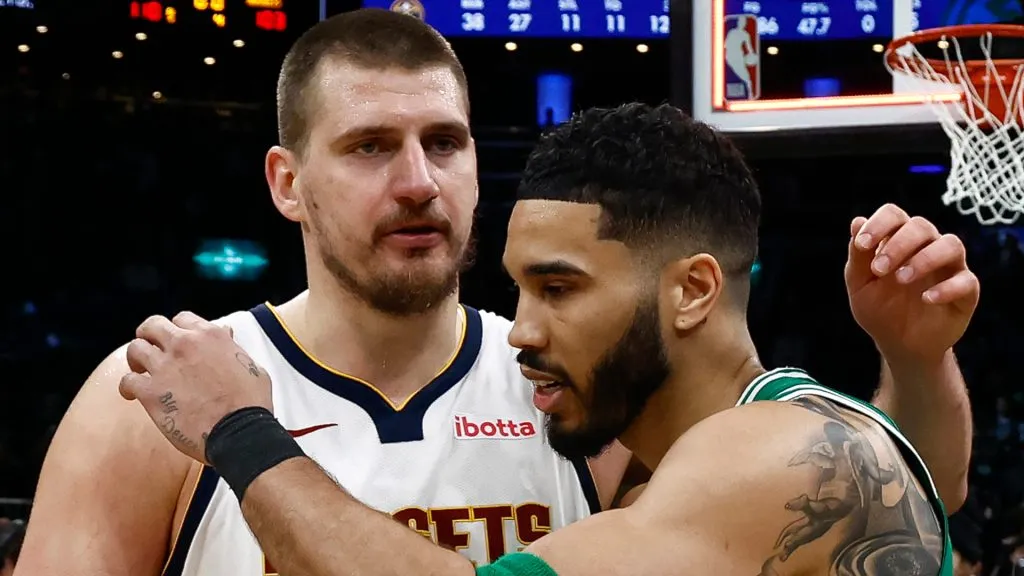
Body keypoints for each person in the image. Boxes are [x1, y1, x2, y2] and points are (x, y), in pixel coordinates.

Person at [17, 9, 971, 575]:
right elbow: (903, 482)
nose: (420, 181)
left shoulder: (577, 394)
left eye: (446, 141)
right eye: (369, 147)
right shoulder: (156, 394)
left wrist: (246, 439)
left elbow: (850, 482)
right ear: (285, 182)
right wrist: (916, 357)